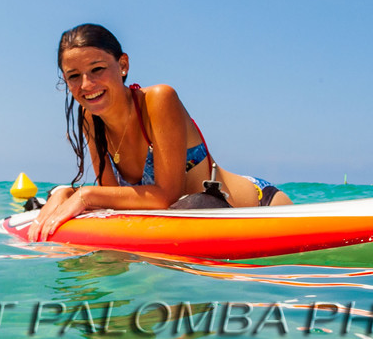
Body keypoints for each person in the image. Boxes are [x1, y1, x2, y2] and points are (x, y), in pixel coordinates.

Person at [28, 24, 290, 241]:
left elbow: (166, 195)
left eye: (97, 69)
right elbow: (113, 198)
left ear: (122, 65)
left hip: (257, 207)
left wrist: (83, 194)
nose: (86, 85)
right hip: (191, 222)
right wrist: (65, 193)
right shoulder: (90, 120)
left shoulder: (158, 100)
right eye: (73, 76)